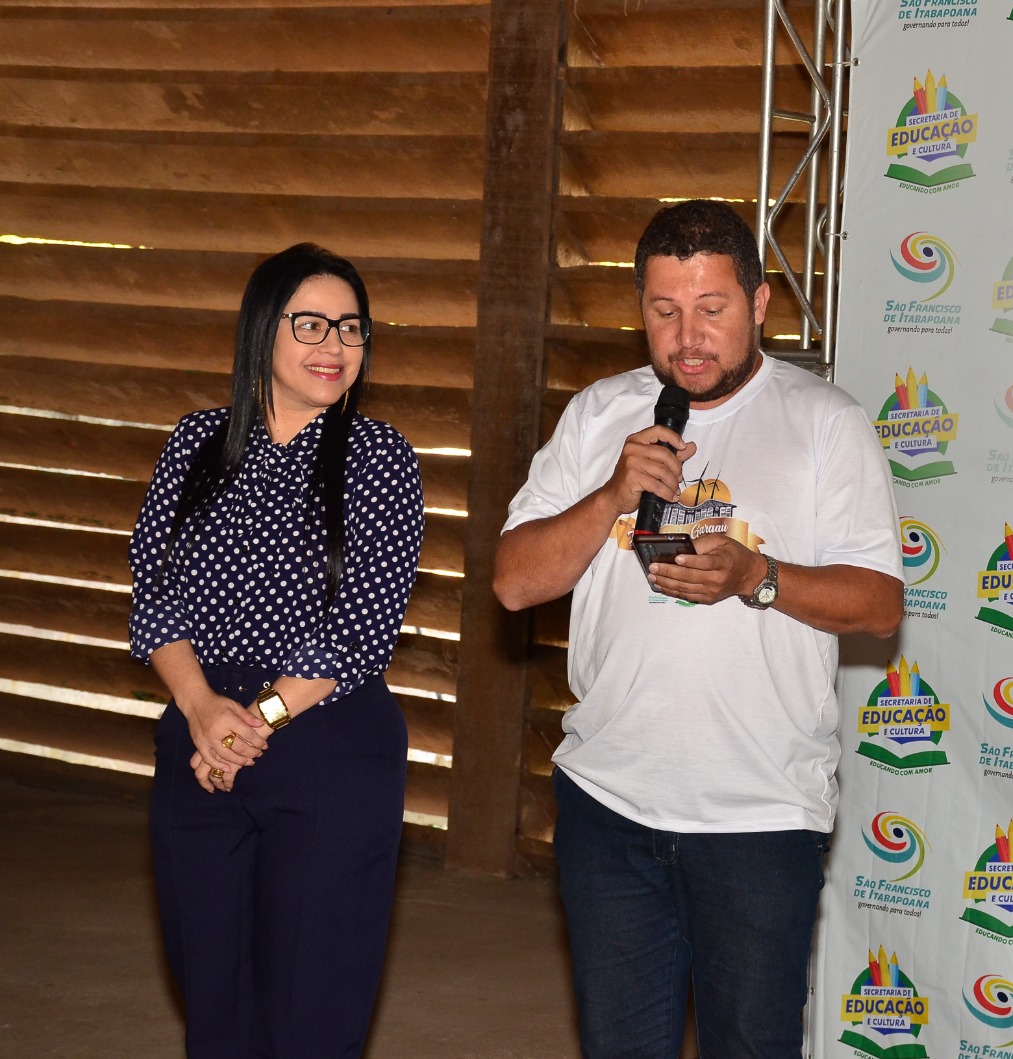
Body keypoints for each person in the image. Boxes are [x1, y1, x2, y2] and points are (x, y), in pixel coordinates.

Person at [496, 200, 903, 1057]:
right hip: (608, 803)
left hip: (759, 814)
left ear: (759, 304)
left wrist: (757, 577)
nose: (687, 338)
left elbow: (878, 604)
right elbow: (514, 580)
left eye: (712, 309)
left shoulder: (826, 422)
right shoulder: (600, 414)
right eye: (664, 310)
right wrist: (612, 495)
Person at [129, 243, 424, 1058]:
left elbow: (360, 625)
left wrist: (250, 723)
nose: (336, 344)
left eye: (352, 327)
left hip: (327, 737)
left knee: (310, 1007)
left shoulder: (380, 457)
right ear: (263, 329)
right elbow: (155, 590)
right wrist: (200, 709)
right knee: (212, 995)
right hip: (198, 734)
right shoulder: (196, 441)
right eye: (311, 324)